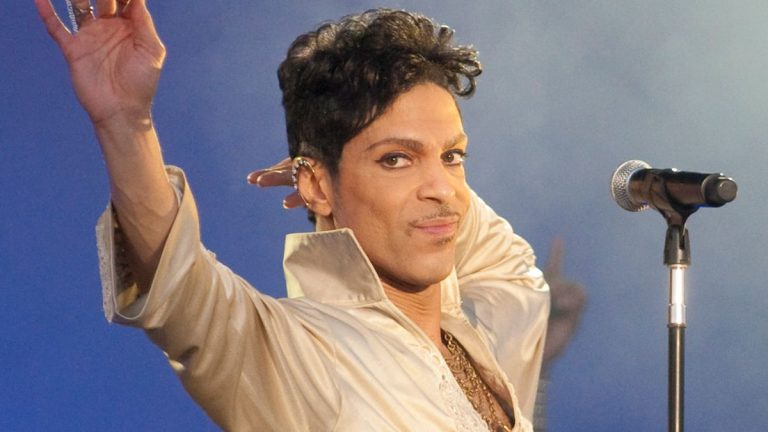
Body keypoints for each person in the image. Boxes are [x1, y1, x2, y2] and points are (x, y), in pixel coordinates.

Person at [36, 0, 584, 430]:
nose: (443, 189)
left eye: (453, 156)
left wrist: (374, 173)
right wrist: (126, 124)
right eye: (395, 159)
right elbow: (182, 292)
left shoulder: (480, 335)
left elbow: (507, 264)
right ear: (317, 185)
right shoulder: (302, 352)